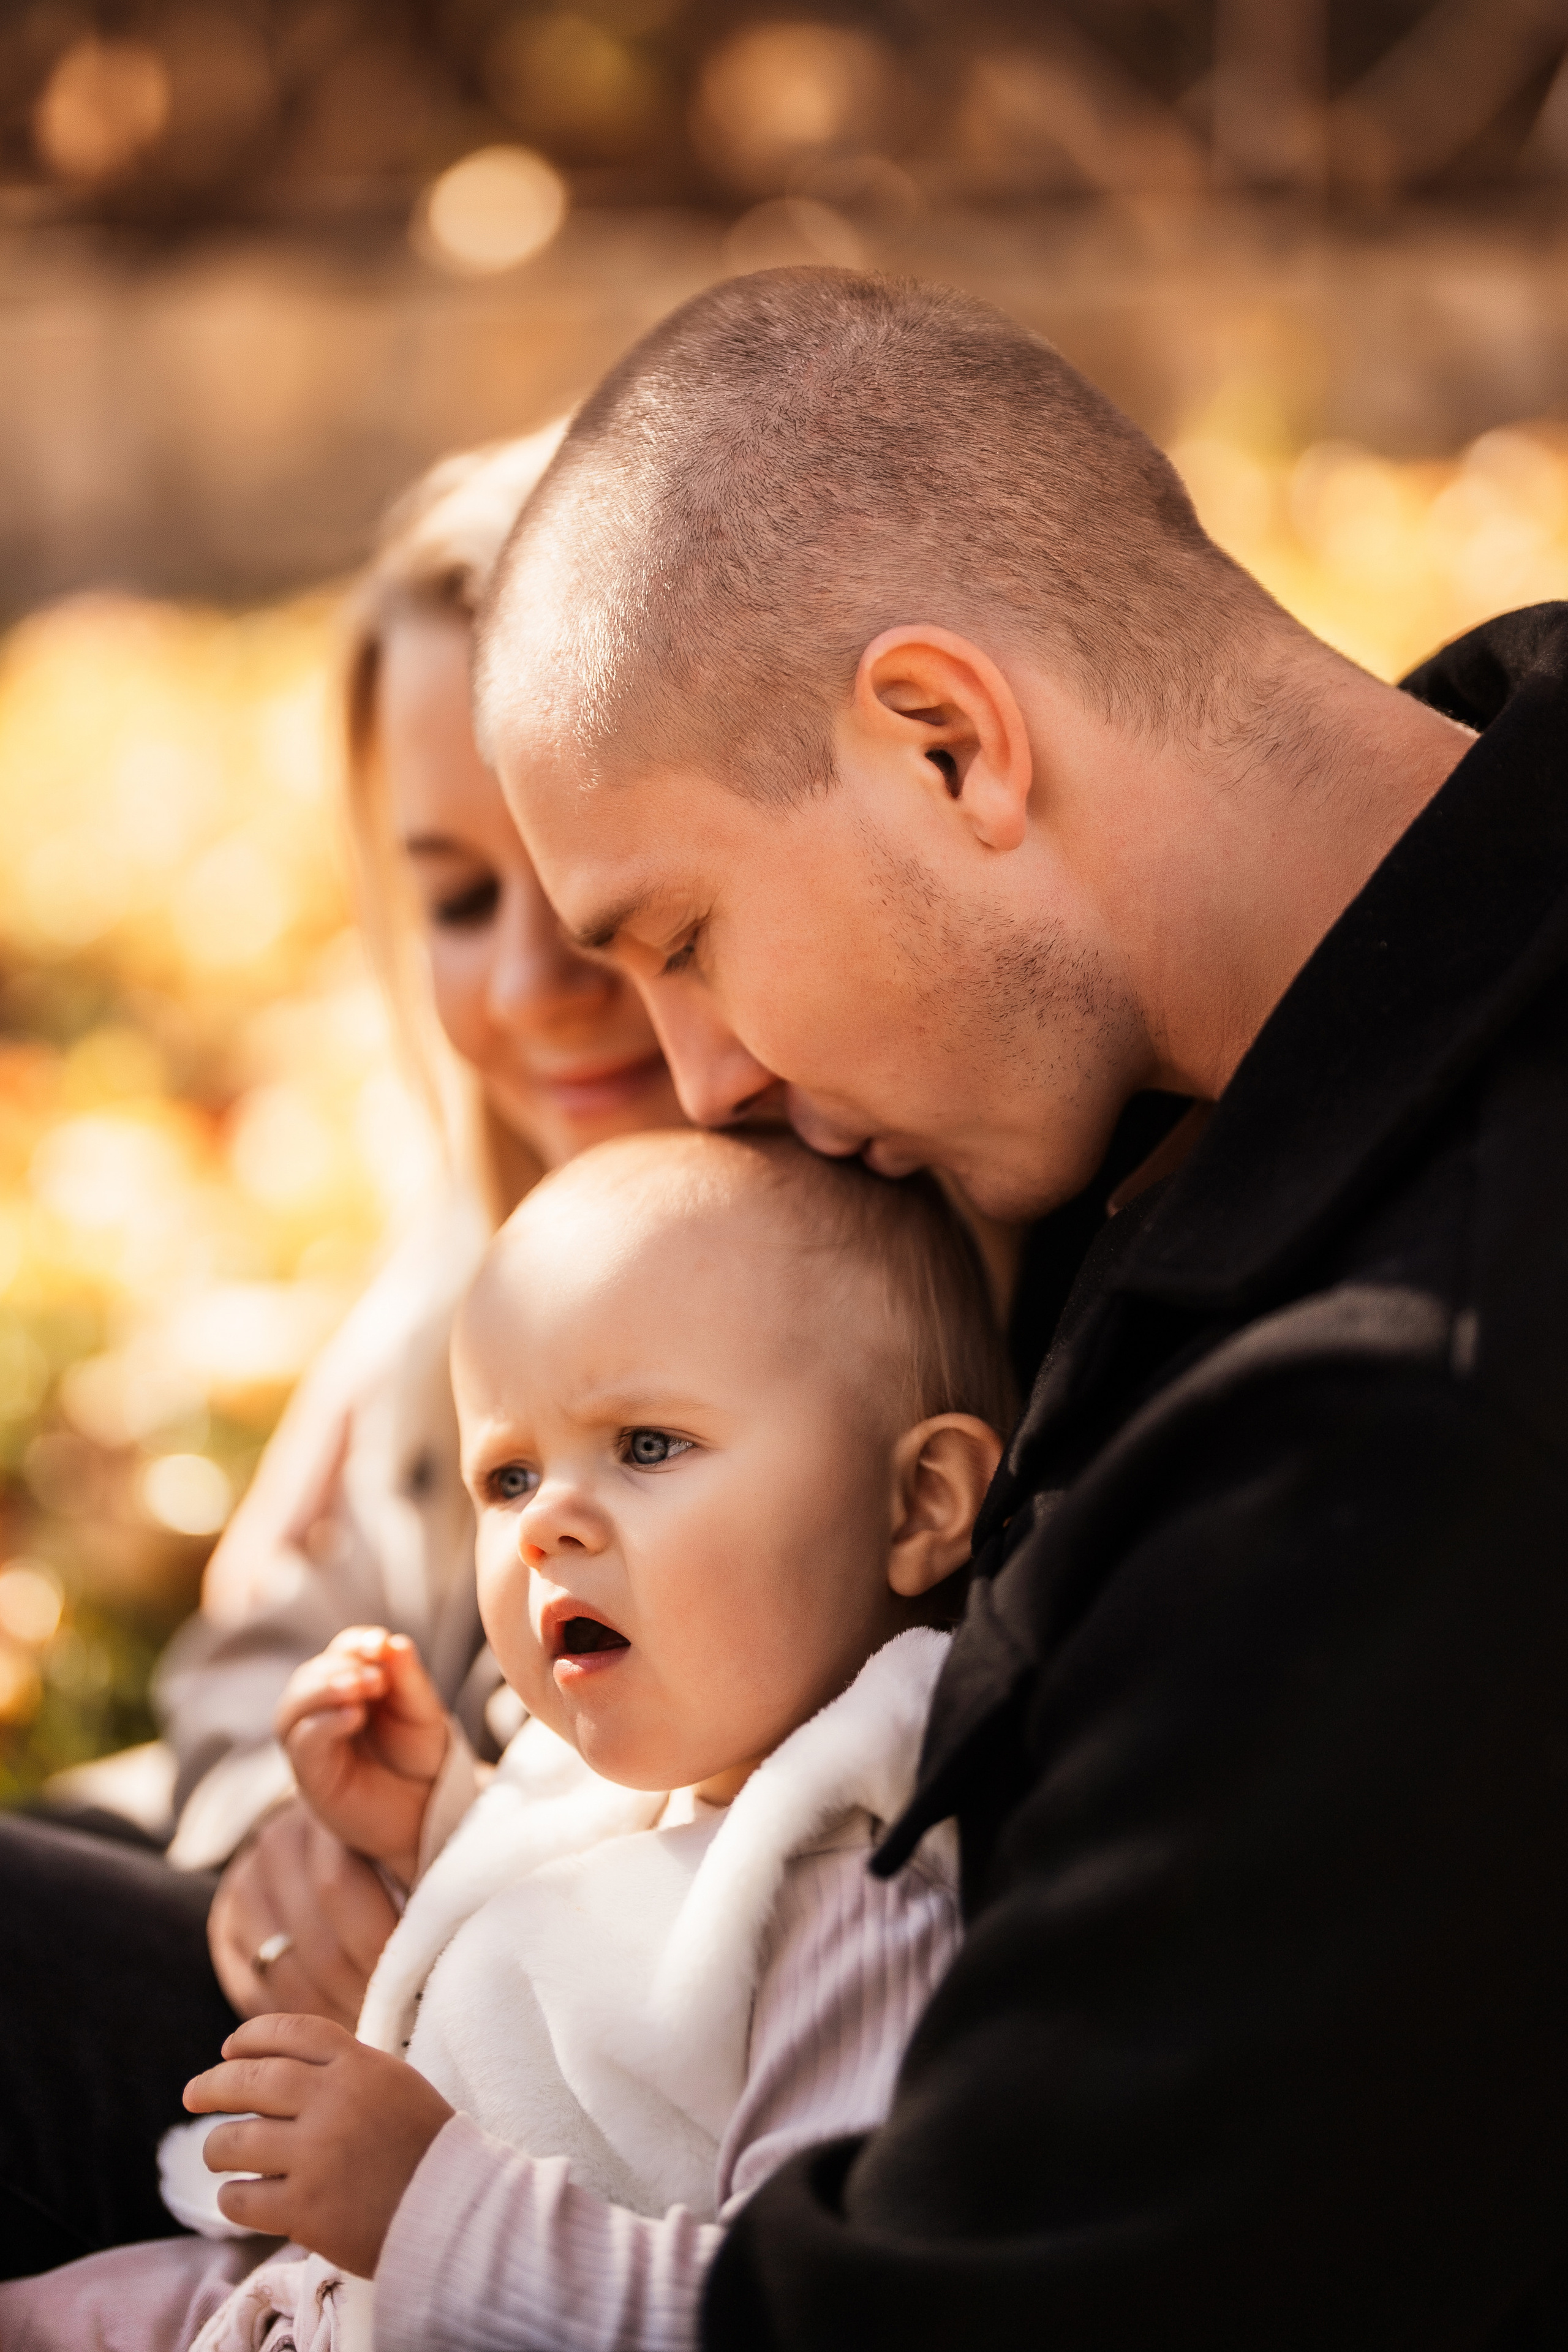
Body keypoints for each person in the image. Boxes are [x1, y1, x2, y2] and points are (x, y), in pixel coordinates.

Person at [473, 266, 1568, 2347]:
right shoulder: (1332, 967)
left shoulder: (1396, 1449)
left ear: (947, 741)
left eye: (684, 937)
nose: (698, 1082)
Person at [0, 428, 686, 2277]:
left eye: (581, 876)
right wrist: (283, 1824)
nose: (535, 980)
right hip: (290, 1974)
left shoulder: (828, 1288)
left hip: (509, 2106)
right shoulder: (454, 1274)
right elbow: (255, 1660)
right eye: (460, 900)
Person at [0, 1127, 1011, 2352]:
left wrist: (432, 2203)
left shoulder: (853, 1900)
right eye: (510, 1477)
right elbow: (582, 1959)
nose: (545, 1528)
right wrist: (431, 1827)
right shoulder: (659, 1774)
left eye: (646, 1446)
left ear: (919, 1505)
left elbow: (784, 2309)